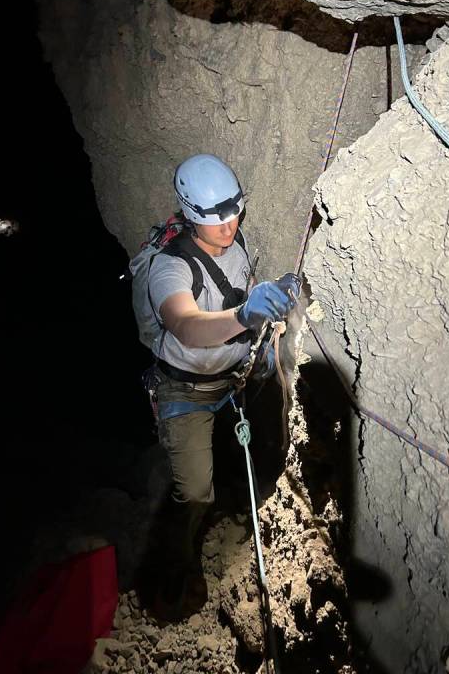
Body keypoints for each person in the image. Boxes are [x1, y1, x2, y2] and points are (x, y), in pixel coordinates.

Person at [144, 153, 298, 621]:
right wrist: (242, 316)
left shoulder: (236, 241)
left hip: (234, 377)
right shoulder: (169, 269)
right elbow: (187, 326)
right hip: (186, 391)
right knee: (193, 490)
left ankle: (242, 502)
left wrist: (270, 301)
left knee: (261, 433)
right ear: (192, 216)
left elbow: (243, 287)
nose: (229, 226)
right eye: (216, 219)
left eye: (234, 212)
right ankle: (174, 575)